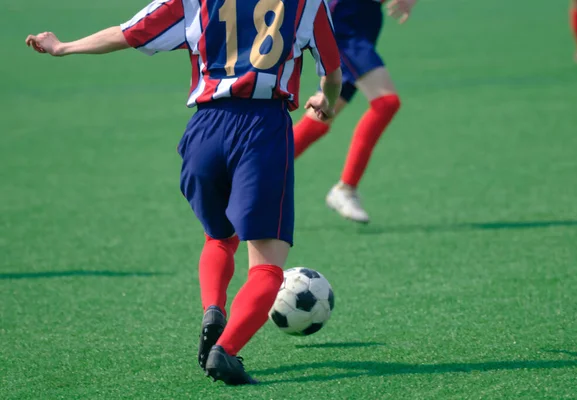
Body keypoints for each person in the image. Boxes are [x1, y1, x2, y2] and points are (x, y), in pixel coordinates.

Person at [26, 0, 342, 386]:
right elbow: (332, 70)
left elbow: (128, 33)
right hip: (263, 128)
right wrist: (324, 98)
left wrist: (63, 46)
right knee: (267, 267)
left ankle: (213, 309)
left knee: (218, 236)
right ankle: (225, 352)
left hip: (205, 131)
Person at [292, 0, 417, 223]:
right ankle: (346, 188)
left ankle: (244, 175)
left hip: (365, 18)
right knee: (386, 102)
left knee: (322, 114)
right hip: (344, 20)